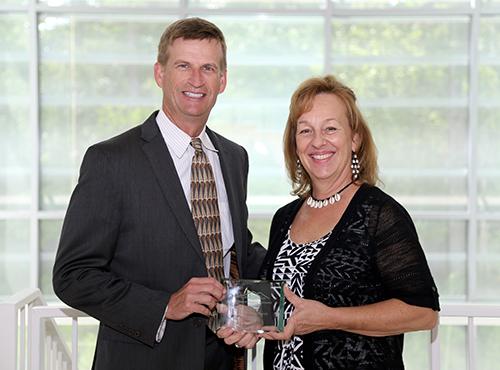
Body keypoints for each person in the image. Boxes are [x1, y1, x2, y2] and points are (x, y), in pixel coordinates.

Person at [52, 17, 265, 370]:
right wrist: (165, 305)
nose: (196, 80)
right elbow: (73, 275)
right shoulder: (111, 160)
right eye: (183, 66)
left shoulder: (234, 157)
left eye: (208, 68)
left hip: (223, 359)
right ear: (160, 74)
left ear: (222, 80)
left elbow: (233, 250)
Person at [259, 75, 440, 369]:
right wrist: (244, 322)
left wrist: (329, 318)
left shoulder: (378, 214)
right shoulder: (284, 218)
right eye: (305, 130)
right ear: (295, 143)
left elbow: (423, 312)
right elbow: (284, 306)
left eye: (330, 128)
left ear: (355, 138)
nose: (318, 141)